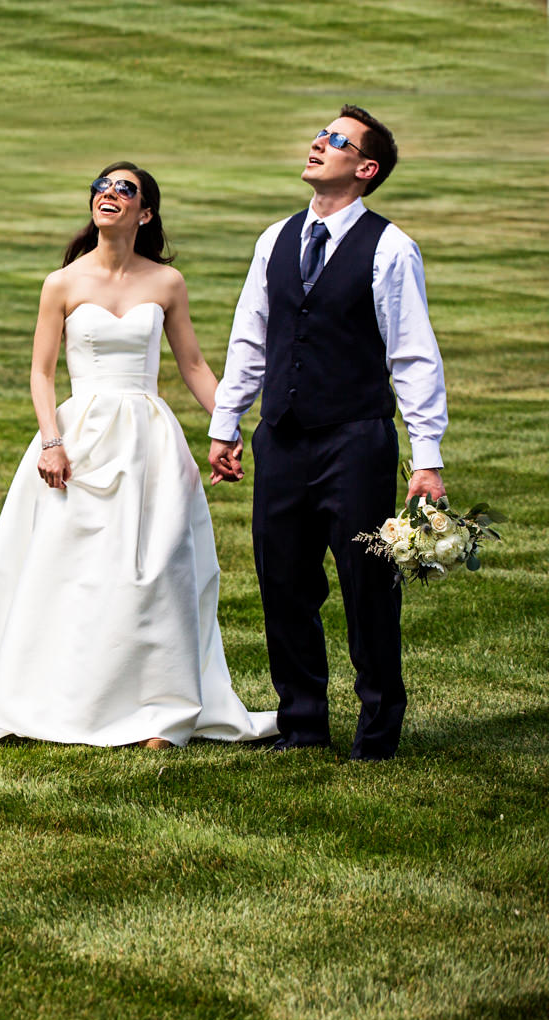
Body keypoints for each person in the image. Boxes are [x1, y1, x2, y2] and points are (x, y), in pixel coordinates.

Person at [0, 163, 276, 747]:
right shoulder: (62, 283)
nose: (109, 195)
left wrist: (228, 427)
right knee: (69, 569)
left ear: (145, 213)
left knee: (159, 570)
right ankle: (48, 701)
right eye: (102, 187)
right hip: (80, 436)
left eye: (125, 189)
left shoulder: (166, 283)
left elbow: (193, 365)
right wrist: (51, 440)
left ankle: (159, 711)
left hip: (149, 438)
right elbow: (42, 373)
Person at [208, 106, 447, 761]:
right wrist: (227, 424)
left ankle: (377, 730)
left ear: (365, 170)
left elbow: (413, 354)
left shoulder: (391, 247)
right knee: (282, 581)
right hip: (280, 438)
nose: (319, 142)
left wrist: (426, 457)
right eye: (321, 134)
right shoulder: (275, 238)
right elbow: (250, 336)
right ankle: (303, 722)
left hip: (355, 442)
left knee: (368, 583)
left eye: (337, 140)